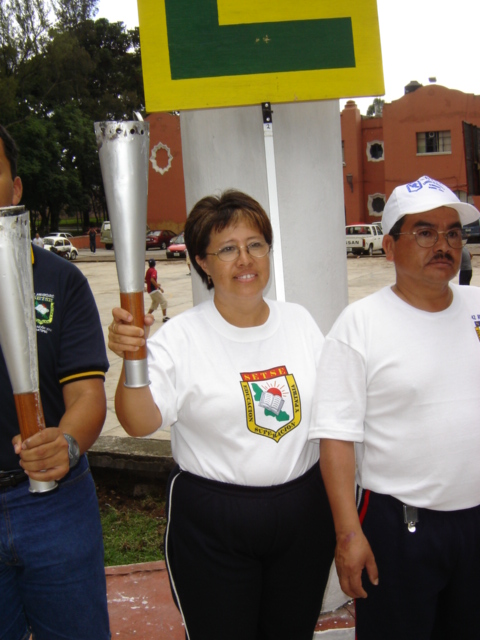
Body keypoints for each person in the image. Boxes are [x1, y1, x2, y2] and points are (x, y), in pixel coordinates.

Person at [108, 190, 335, 640]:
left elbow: (332, 413)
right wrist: (132, 360)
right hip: (213, 521)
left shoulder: (300, 322)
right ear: (202, 262)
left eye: (255, 244)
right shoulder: (181, 337)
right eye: (227, 249)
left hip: (303, 514)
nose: (245, 259)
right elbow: (139, 422)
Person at [310, 175, 480, 640]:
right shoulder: (360, 325)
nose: (443, 245)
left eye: (452, 233)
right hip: (401, 527)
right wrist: (348, 535)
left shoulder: (477, 306)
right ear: (388, 246)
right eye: (424, 233)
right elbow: (336, 439)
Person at [0, 125, 111, 640]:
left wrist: (63, 444)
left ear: (15, 187)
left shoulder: (61, 281)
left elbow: (87, 395)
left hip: (54, 504)